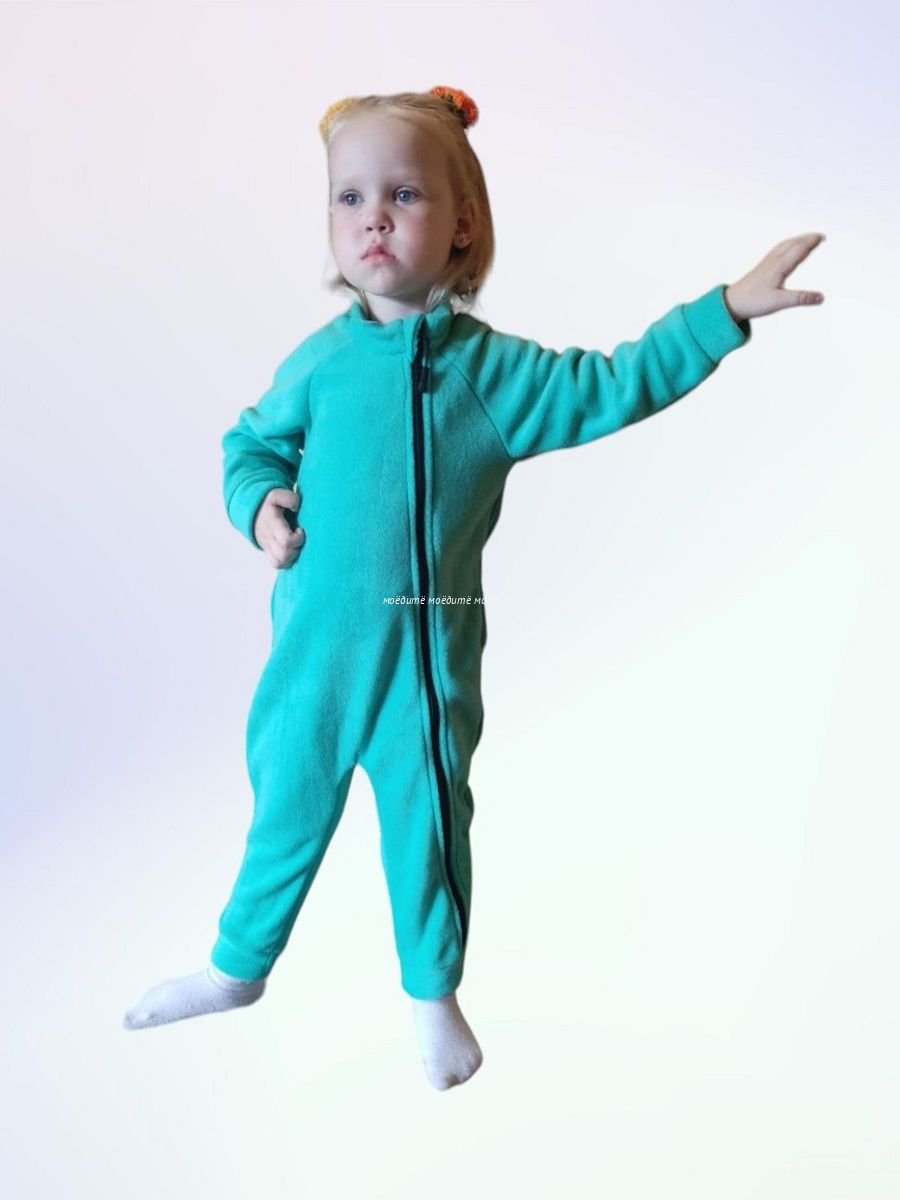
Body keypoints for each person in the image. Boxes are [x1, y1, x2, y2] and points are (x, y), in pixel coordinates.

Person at [122, 85, 826, 1090]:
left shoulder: (491, 376)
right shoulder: (320, 364)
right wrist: (260, 504)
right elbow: (251, 443)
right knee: (283, 808)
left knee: (428, 829)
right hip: (312, 661)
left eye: (403, 194)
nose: (372, 217)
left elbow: (616, 382)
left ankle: (433, 995)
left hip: (424, 661)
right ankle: (237, 969)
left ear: (462, 225)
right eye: (350, 197)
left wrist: (722, 313)